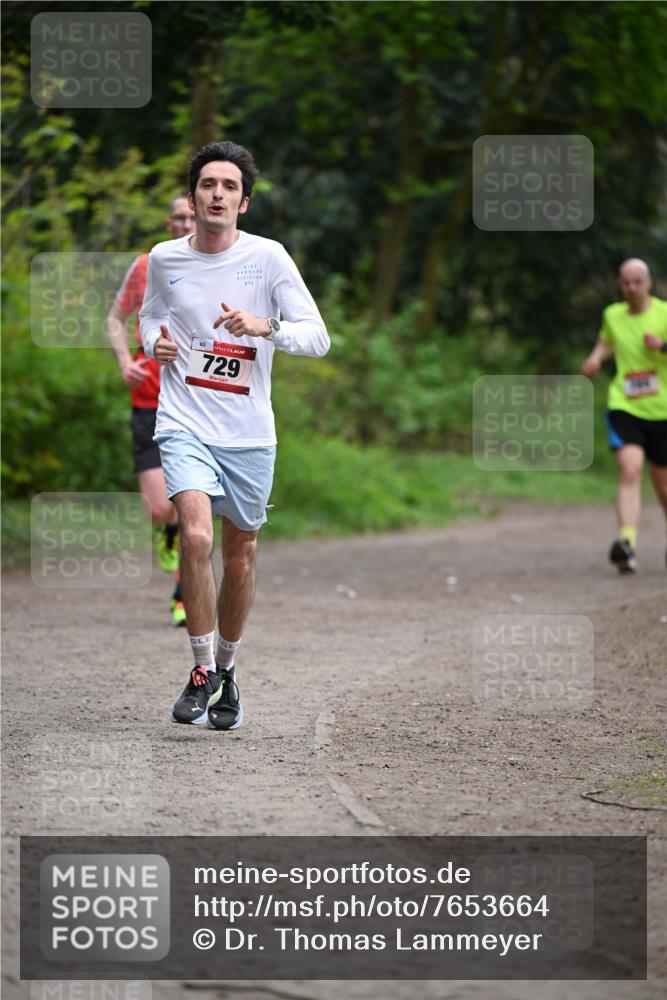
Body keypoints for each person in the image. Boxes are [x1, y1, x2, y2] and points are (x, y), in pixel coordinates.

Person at [139, 140, 330, 730]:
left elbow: (317, 337)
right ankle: (199, 671)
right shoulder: (165, 258)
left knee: (240, 553)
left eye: (229, 187)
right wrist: (156, 344)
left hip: (248, 432)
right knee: (194, 537)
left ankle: (226, 670)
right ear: (193, 196)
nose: (217, 194)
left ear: (243, 203)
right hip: (184, 418)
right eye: (208, 185)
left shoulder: (269, 258)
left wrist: (265, 326)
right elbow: (149, 316)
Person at [106, 196, 195, 625]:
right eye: (178, 216)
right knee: (160, 508)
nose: (184, 222)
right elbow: (114, 318)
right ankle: (170, 532)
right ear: (169, 222)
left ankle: (182, 596)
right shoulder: (146, 265)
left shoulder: (217, 265)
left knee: (192, 503)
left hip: (195, 403)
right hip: (148, 402)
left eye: (190, 216)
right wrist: (126, 363)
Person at [581, 258, 667, 573]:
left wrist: (663, 346)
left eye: (637, 282)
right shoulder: (612, 315)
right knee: (630, 470)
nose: (631, 288)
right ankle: (626, 543)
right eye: (626, 282)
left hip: (663, 410)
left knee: (664, 488)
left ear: (649, 283)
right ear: (620, 284)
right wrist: (594, 358)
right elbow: (606, 342)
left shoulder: (664, 313)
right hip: (625, 404)